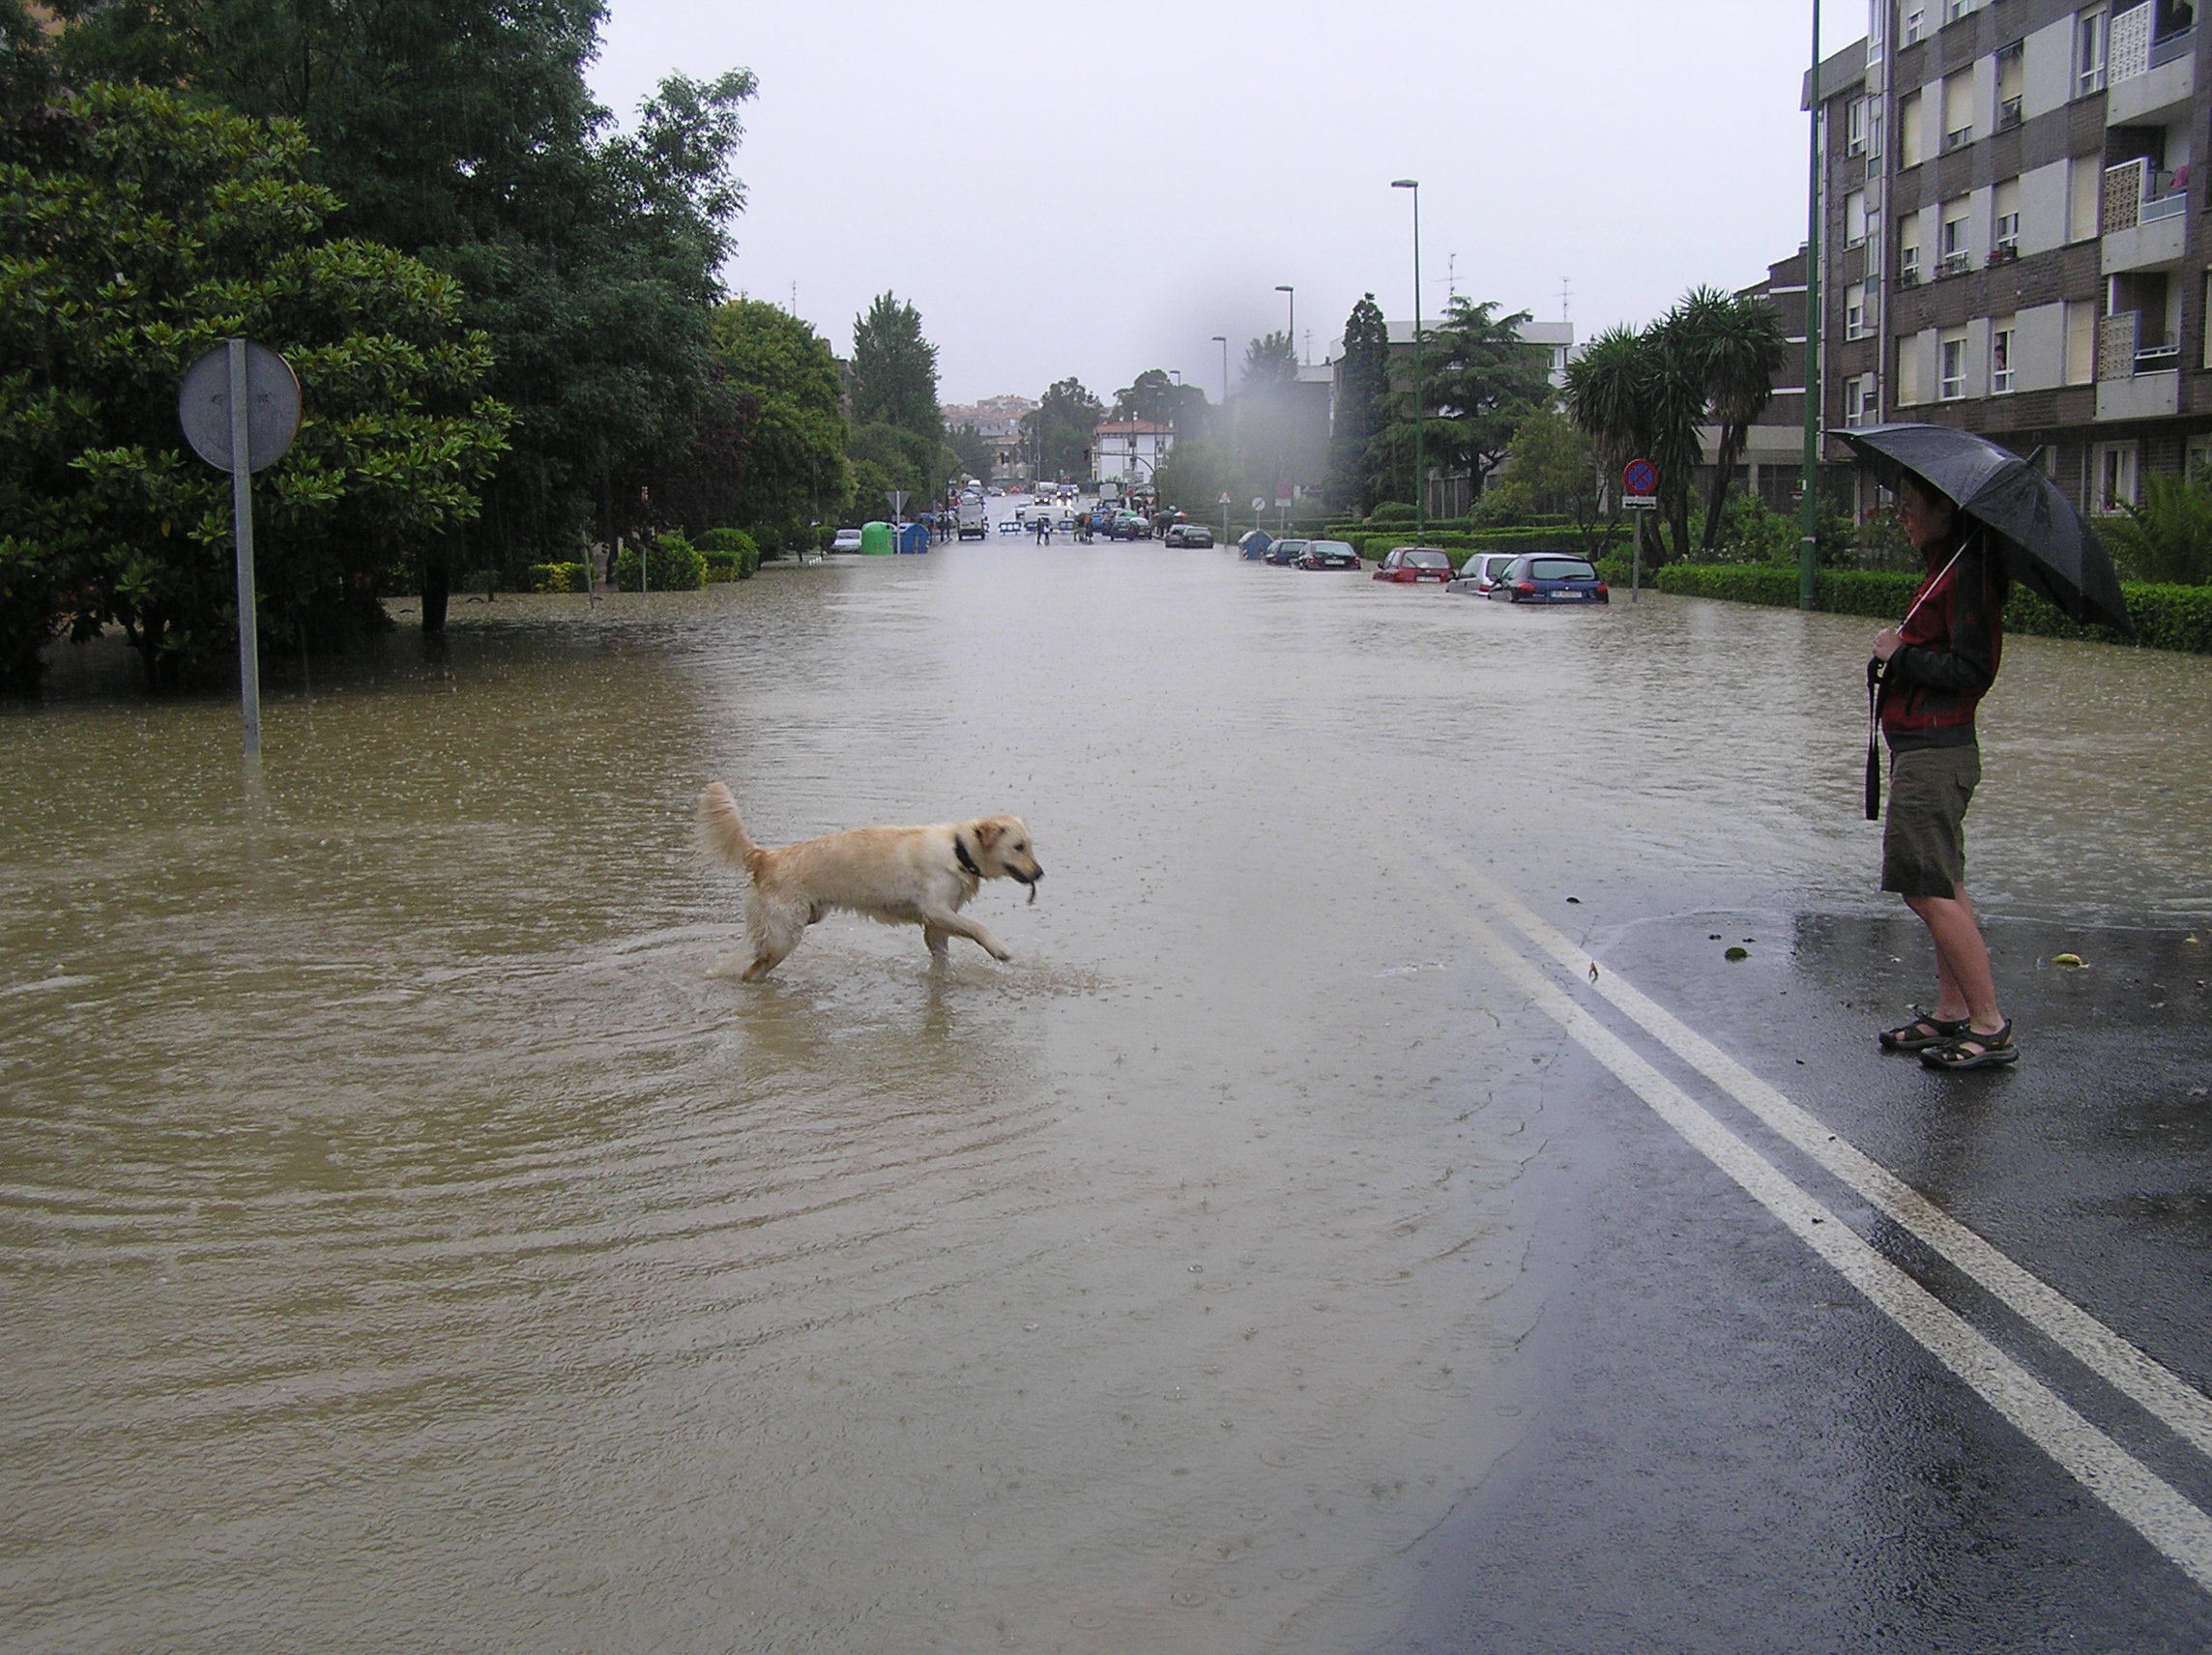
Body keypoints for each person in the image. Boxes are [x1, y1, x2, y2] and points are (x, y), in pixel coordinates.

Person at [1872, 472, 2016, 1069]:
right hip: (1921, 748)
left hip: (1937, 754)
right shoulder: (1946, 567)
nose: (1902, 517)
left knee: (1924, 887)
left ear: (1943, 510)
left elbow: (1974, 669)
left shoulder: (1969, 573)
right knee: (1945, 881)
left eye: (1910, 507)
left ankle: (1989, 1024)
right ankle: (1953, 1011)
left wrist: (1900, 654)